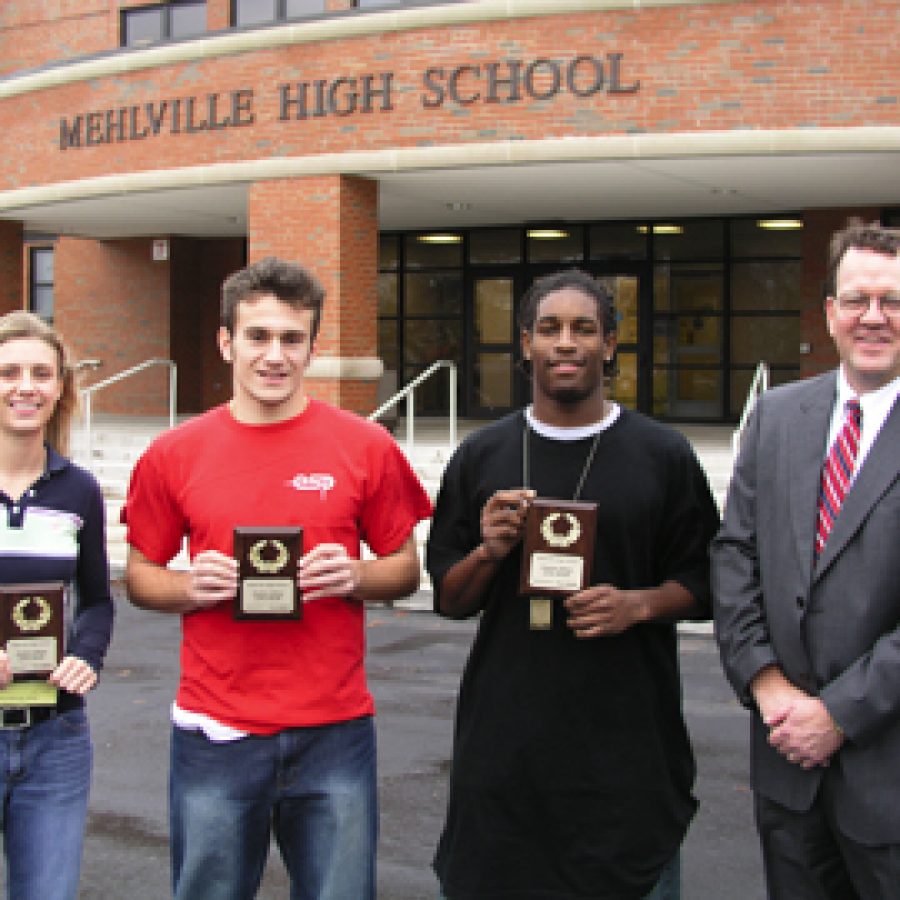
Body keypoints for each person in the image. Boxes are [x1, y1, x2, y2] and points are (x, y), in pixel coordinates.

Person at [121, 256, 431, 900]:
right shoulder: (173, 453)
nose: (275, 355)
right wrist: (188, 586)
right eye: (258, 336)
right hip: (216, 728)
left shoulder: (365, 446)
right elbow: (141, 577)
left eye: (292, 339)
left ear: (314, 346)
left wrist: (355, 575)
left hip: (334, 729)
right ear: (226, 341)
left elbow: (405, 570)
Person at [427, 269, 720, 899]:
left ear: (610, 344)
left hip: (627, 754)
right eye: (550, 329)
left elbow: (708, 581)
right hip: (506, 756)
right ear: (526, 343)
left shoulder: (662, 455)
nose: (567, 343)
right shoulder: (482, 456)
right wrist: (489, 551)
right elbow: (450, 600)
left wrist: (638, 604)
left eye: (584, 329)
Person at [711, 220, 900, 898]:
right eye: (856, 300)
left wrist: (838, 714)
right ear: (829, 312)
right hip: (786, 768)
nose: (872, 317)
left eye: (892, 301)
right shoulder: (777, 416)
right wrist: (769, 688)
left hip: (888, 780)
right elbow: (735, 558)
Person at [0, 311, 114, 900]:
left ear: (61, 386)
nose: (26, 386)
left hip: (55, 735)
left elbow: (96, 600)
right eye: (9, 372)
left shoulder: (79, 490)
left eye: (41, 373)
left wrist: (86, 655)